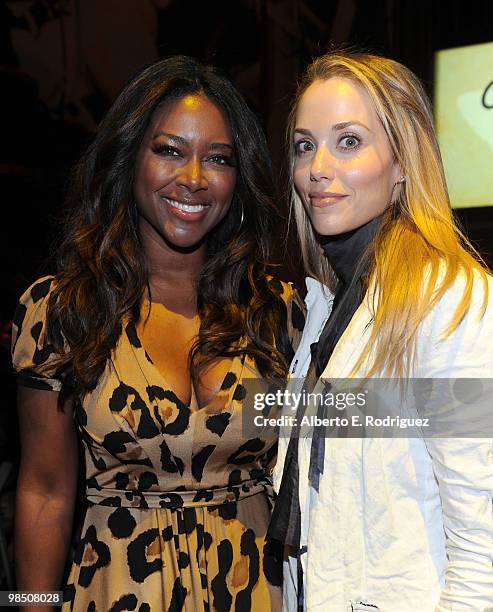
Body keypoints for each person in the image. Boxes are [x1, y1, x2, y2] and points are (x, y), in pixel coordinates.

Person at [12, 56, 303, 611]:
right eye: (169, 150)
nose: (194, 178)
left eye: (218, 158)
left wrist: (464, 402)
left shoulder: (279, 313)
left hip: (257, 595)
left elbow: (369, 431)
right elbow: (44, 493)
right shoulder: (63, 311)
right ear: (130, 159)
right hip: (117, 591)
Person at [270, 51, 493, 611]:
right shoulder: (328, 304)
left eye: (348, 141)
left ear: (402, 165)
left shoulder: (448, 299)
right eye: (304, 144)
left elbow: (483, 542)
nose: (317, 167)